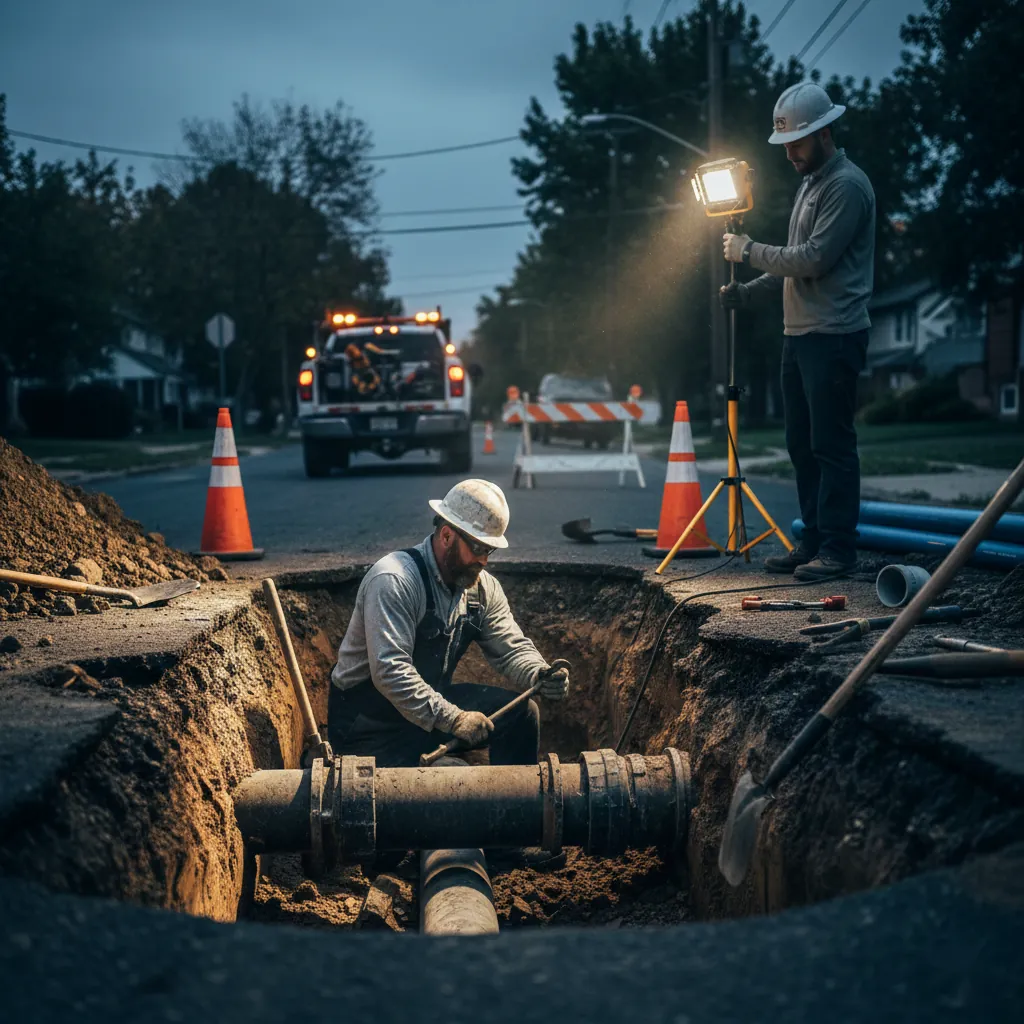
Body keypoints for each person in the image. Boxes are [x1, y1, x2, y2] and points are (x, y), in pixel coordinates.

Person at [720, 82, 876, 580]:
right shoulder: (810, 184)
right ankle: (813, 541)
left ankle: (838, 549)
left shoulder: (846, 186)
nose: (789, 152)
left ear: (825, 133)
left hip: (834, 334)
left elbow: (813, 259)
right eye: (785, 143)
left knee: (832, 444)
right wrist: (750, 290)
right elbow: (791, 264)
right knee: (802, 444)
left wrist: (747, 250)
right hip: (800, 334)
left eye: (798, 142)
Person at [327, 478, 568, 767]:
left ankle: (520, 807)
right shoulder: (394, 580)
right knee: (454, 779)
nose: (484, 561)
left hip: (425, 715)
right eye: (477, 548)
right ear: (446, 536)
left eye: (489, 550)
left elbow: (511, 648)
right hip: (369, 729)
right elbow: (390, 671)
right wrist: (454, 718)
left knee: (523, 714)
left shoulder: (482, 590)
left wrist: (539, 673)